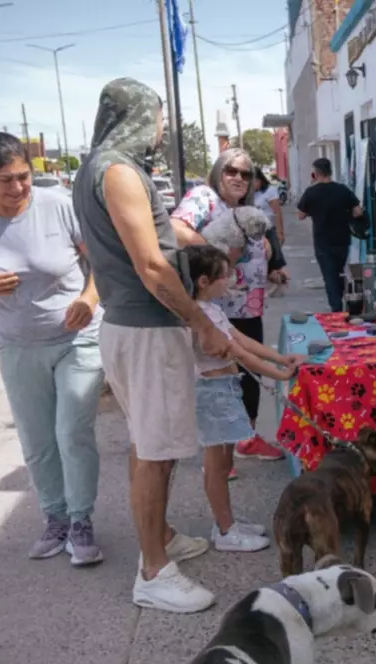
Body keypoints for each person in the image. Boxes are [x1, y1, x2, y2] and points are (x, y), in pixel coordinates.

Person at [74, 77, 231, 614]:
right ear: (142, 117)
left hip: (132, 327)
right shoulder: (117, 171)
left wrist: (201, 241)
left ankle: (159, 537)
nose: (162, 130)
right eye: (160, 119)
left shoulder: (98, 168)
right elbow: (150, 264)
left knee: (149, 445)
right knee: (155, 455)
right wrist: (202, 324)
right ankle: (154, 571)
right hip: (146, 330)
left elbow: (152, 237)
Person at [0, 126, 106, 566]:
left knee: (72, 432)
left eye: (23, 176)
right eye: (5, 180)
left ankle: (81, 520)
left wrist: (88, 299)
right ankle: (55, 518)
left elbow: (101, 262)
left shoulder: (58, 206)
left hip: (77, 338)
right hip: (18, 345)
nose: (18, 187)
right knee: (37, 438)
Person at [183, 244, 302, 552]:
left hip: (225, 388)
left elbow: (241, 339)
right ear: (204, 282)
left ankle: (227, 521)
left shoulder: (211, 309)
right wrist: (280, 375)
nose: (230, 280)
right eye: (224, 276)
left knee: (225, 462)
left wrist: (280, 358)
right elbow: (239, 353)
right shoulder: (198, 314)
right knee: (216, 465)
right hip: (211, 393)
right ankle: (225, 530)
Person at [170, 149, 283, 465]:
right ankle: (222, 453)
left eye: (246, 174)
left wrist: (271, 262)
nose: (238, 178)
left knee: (245, 379)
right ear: (218, 172)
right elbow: (175, 229)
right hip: (218, 310)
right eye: (231, 171)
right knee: (222, 383)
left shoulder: (243, 207)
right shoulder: (204, 197)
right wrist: (215, 254)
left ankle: (243, 440)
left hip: (247, 306)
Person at [296, 157, 362, 312]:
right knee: (339, 273)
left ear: (316, 173)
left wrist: (314, 211)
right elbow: (358, 211)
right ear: (330, 171)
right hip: (342, 239)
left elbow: (300, 215)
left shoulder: (311, 192)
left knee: (329, 276)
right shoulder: (342, 190)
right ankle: (343, 301)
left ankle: (336, 309)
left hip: (322, 242)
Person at [252, 167, 289, 294]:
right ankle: (268, 284)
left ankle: (279, 284)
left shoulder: (269, 191)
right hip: (254, 232)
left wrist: (280, 231)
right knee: (260, 260)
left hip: (268, 229)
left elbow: (277, 212)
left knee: (274, 259)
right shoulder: (248, 194)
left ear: (260, 180)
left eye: (253, 181)